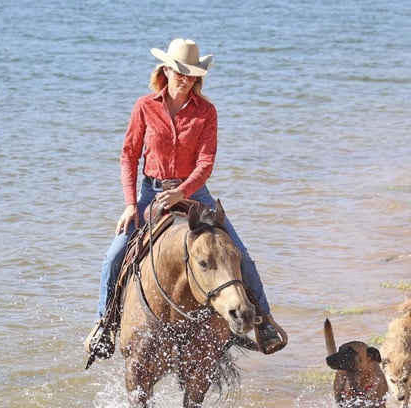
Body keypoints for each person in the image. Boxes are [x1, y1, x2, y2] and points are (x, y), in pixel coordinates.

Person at [84, 38, 287, 357]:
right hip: (151, 191)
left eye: (190, 73)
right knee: (115, 255)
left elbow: (205, 163)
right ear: (166, 69)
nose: (184, 78)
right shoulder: (144, 106)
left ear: (197, 77)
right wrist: (128, 203)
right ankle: (105, 325)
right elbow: (128, 156)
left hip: (195, 193)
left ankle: (263, 321)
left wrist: (181, 191)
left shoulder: (206, 112)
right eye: (179, 71)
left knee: (240, 255)